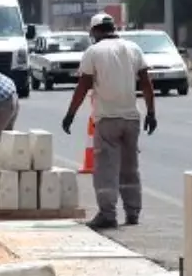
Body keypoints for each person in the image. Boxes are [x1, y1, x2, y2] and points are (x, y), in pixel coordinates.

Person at [61, 13, 158, 230]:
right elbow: (146, 82)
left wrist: (70, 114)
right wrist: (151, 112)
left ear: (95, 31)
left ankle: (108, 214)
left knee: (106, 168)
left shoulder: (93, 52)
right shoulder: (133, 48)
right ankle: (133, 213)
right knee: (130, 168)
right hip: (131, 119)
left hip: (107, 120)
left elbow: (83, 86)